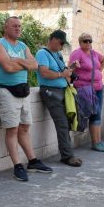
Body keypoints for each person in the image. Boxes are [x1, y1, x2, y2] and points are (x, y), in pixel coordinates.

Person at [0, 16, 52, 181]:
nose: (18, 28)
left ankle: (32, 161)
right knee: (12, 129)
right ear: (6, 28)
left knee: (24, 127)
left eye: (19, 26)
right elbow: (8, 67)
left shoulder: (23, 46)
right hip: (5, 90)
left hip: (23, 90)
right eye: (14, 26)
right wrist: (24, 63)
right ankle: (17, 165)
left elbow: (35, 65)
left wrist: (16, 59)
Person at [35, 30, 82, 166]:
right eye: (61, 43)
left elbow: (63, 71)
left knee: (67, 122)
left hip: (62, 91)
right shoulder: (42, 53)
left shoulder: (58, 54)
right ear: (54, 39)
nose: (61, 47)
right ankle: (67, 156)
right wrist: (62, 75)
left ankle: (67, 153)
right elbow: (44, 73)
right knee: (62, 123)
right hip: (50, 91)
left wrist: (72, 67)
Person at [70, 33, 104, 151]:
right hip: (85, 88)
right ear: (80, 42)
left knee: (97, 114)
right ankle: (95, 142)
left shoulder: (94, 53)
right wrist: (74, 65)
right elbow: (70, 68)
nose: (88, 43)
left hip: (98, 88)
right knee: (93, 114)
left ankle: (99, 141)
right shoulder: (77, 53)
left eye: (90, 41)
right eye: (85, 41)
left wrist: (99, 70)